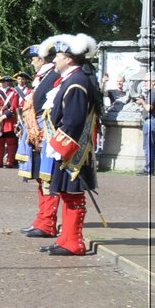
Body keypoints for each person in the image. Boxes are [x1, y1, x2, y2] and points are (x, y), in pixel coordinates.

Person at [40, 34, 100, 256]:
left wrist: (59, 146)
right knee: (66, 193)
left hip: (72, 149)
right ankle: (66, 238)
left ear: (69, 59)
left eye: (58, 56)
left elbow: (73, 121)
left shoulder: (77, 82)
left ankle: (74, 242)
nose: (54, 60)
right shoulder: (73, 79)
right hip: (66, 147)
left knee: (73, 195)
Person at [18, 39, 61, 239]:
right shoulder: (43, 77)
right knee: (39, 177)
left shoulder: (53, 76)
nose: (31, 63)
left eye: (33, 60)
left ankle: (47, 223)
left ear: (41, 59)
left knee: (47, 178)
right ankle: (42, 219)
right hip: (36, 132)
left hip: (46, 133)